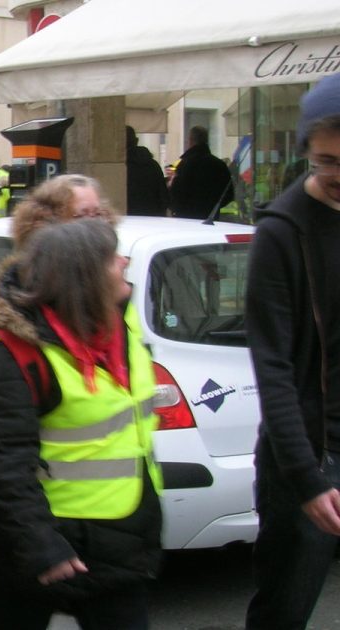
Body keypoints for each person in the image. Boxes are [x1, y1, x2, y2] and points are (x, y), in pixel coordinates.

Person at [0, 219, 161, 630]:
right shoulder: (11, 355)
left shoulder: (121, 326)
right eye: (112, 258)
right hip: (43, 549)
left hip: (119, 546)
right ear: (85, 277)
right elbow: (4, 464)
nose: (124, 262)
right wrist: (40, 545)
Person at [245, 73, 340, 630]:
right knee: (284, 610)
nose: (336, 177)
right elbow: (272, 369)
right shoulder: (282, 234)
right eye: (325, 161)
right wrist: (306, 479)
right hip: (307, 459)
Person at [169, 126, 234, 220]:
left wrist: (177, 209)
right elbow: (228, 193)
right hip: (210, 218)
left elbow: (176, 192)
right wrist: (214, 206)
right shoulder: (219, 165)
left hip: (186, 218)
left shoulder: (185, 164)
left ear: (191, 140)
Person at [125, 126, 170, 217]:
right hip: (153, 217)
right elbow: (163, 196)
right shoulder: (153, 165)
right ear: (136, 141)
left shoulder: (123, 168)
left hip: (131, 219)